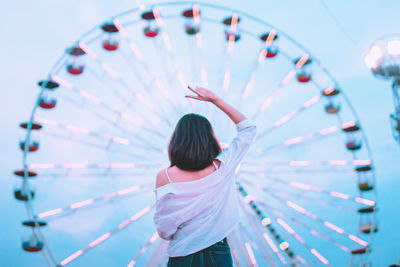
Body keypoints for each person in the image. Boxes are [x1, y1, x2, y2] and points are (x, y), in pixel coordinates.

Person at [153, 86, 257, 267]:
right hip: (218, 249)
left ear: (176, 140)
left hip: (182, 253)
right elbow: (248, 129)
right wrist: (215, 100)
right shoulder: (224, 166)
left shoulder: (165, 177)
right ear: (209, 138)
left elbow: (164, 227)